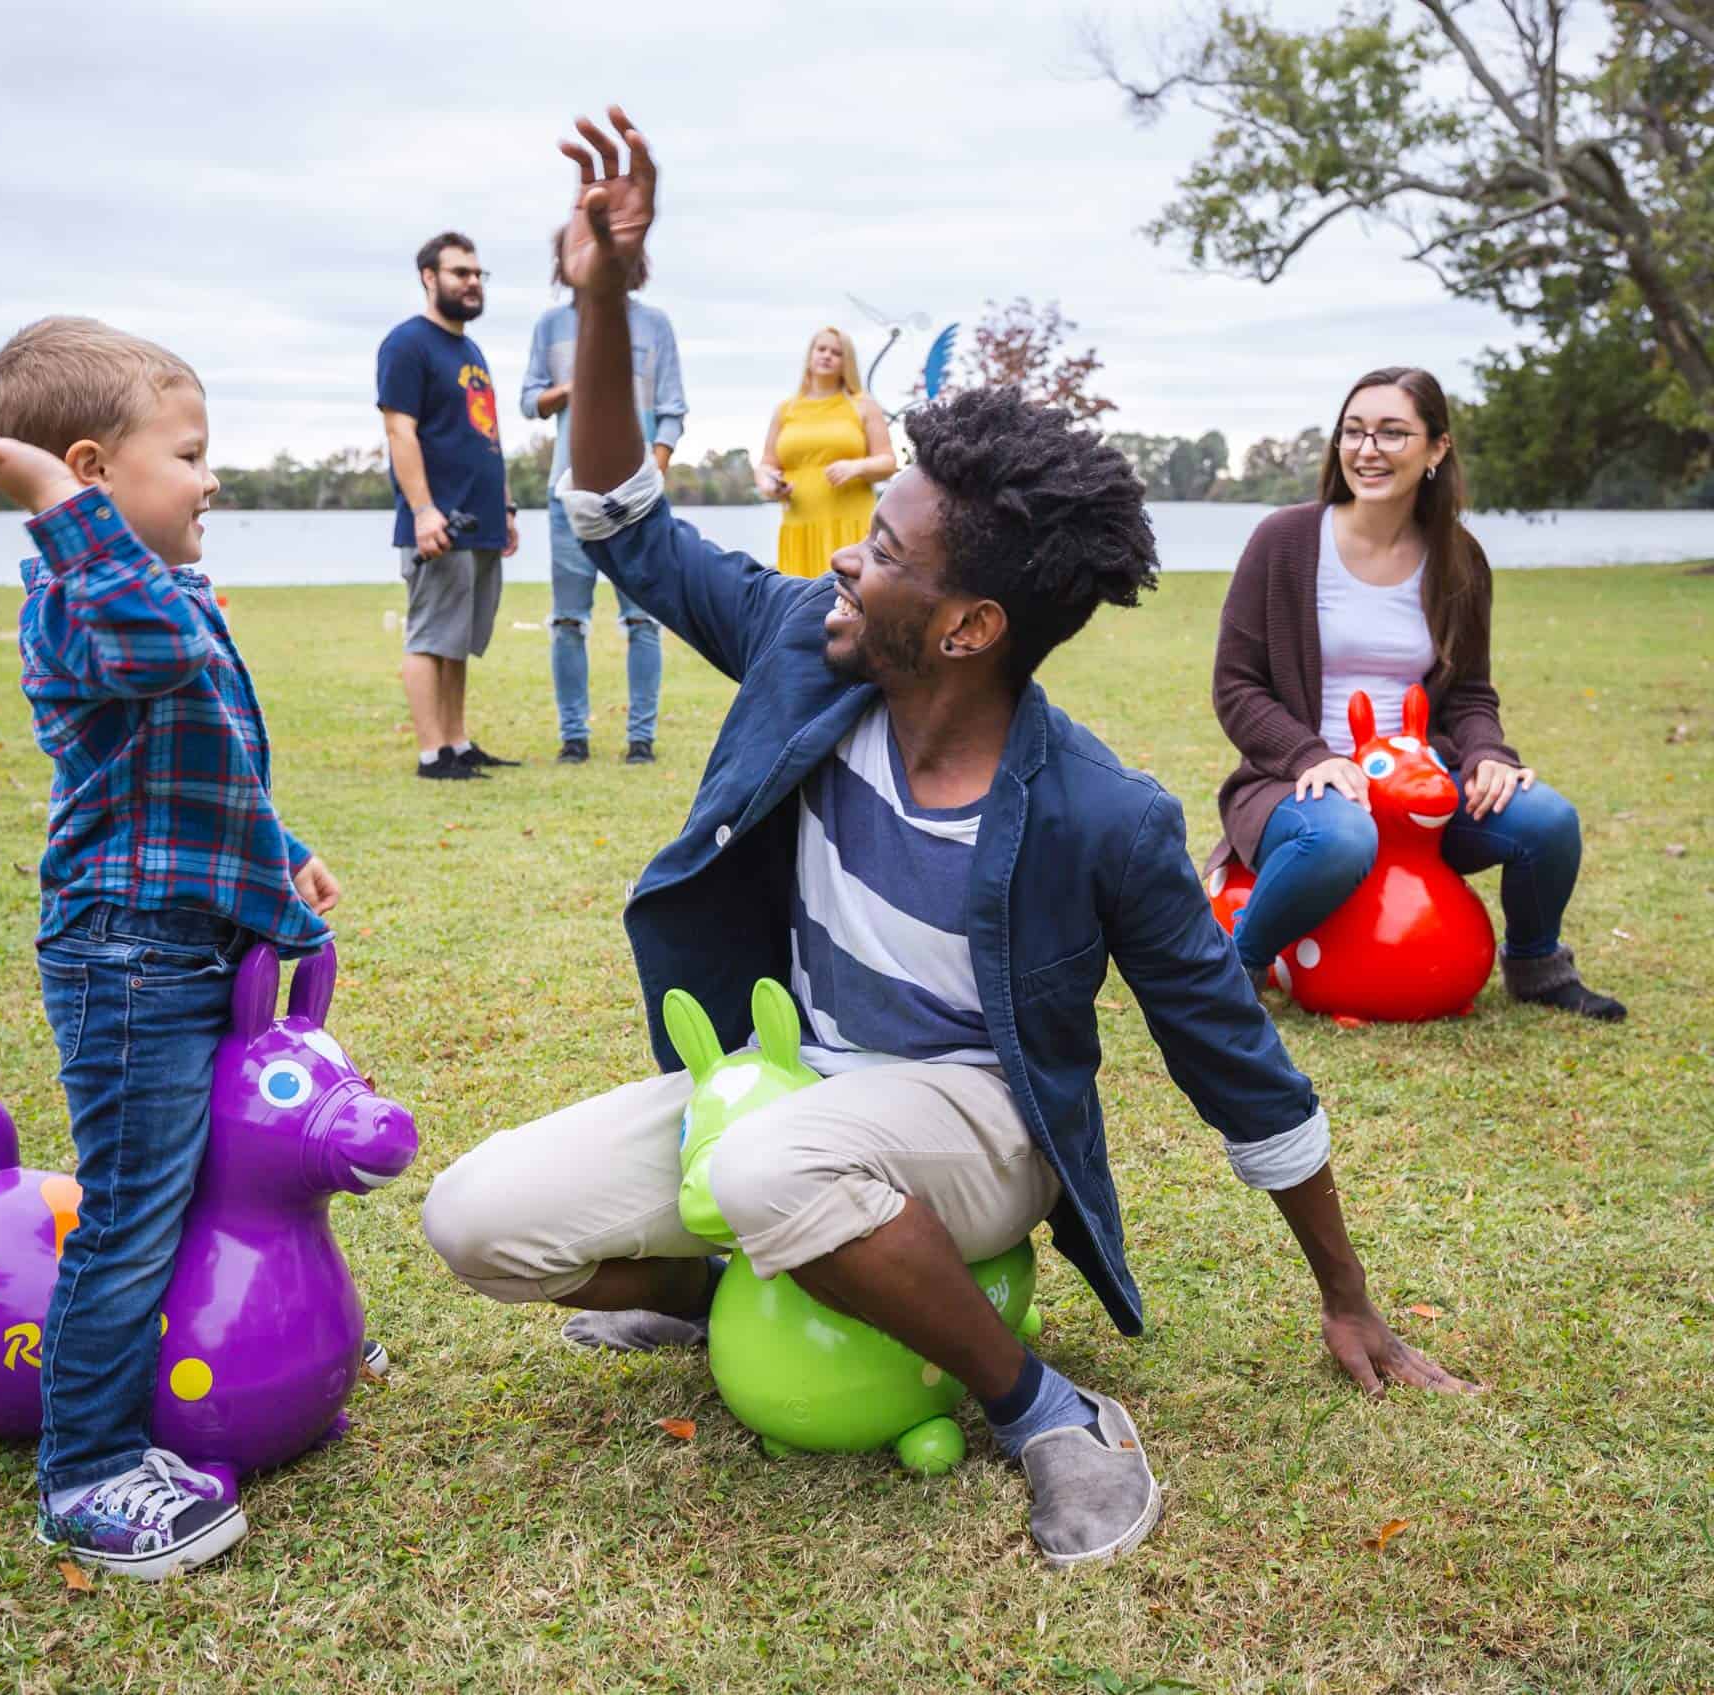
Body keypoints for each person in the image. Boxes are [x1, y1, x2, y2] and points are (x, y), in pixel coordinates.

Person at [422, 110, 1476, 1570]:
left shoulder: (1097, 810)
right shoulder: (811, 641)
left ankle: (1047, 1408)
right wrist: (604, 298)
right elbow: (620, 519)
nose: (847, 552)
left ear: (972, 625)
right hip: (785, 1086)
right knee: (478, 1219)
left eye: (889, 548)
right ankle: (708, 1282)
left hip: (974, 1124)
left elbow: (1231, 1051)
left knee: (773, 1169)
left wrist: (1347, 1295)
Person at [0, 315, 343, 1578]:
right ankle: (87, 1467)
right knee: (131, 1215)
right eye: (193, 452)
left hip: (193, 935)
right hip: (125, 960)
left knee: (211, 1172)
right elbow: (158, 664)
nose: (214, 477)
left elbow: (203, 755)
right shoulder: (81, 601)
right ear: (96, 471)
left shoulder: (151, 587)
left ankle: (258, 1337)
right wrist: (57, 508)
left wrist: (276, 851)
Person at [1208, 366, 1625, 1021]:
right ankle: (1234, 971)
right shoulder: (1283, 541)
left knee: (1548, 822)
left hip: (1421, 785)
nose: (1368, 449)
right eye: (1354, 431)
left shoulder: (1459, 558)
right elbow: (1235, 685)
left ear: (1436, 449)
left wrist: (1489, 754)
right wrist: (1312, 757)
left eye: (1393, 433)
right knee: (1341, 838)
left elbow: (1470, 692)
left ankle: (1537, 966)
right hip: (1300, 784)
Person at [520, 231, 687, 764]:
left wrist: (650, 478)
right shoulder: (550, 326)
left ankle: (642, 739)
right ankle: (574, 738)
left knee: (643, 619)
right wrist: (578, 385)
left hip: (635, 500)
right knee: (568, 620)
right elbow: (530, 400)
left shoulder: (655, 324)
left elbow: (672, 409)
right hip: (566, 496)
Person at [377, 231, 523, 781]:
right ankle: (431, 753)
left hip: (481, 519)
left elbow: (489, 433)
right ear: (428, 277)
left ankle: (457, 742)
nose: (472, 282)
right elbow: (399, 430)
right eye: (461, 272)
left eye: (478, 274)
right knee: (430, 636)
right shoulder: (407, 344)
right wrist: (422, 511)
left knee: (458, 640)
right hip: (439, 519)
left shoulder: (470, 350)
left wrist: (506, 509)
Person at [755, 327, 896, 578]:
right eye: (821, 349)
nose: (827, 356)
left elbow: (888, 462)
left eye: (836, 352)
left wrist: (857, 467)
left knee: (852, 605)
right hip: (799, 526)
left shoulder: (862, 405)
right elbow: (766, 464)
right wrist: (769, 485)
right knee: (800, 603)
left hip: (851, 525)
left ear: (846, 362)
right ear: (810, 356)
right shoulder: (786, 410)